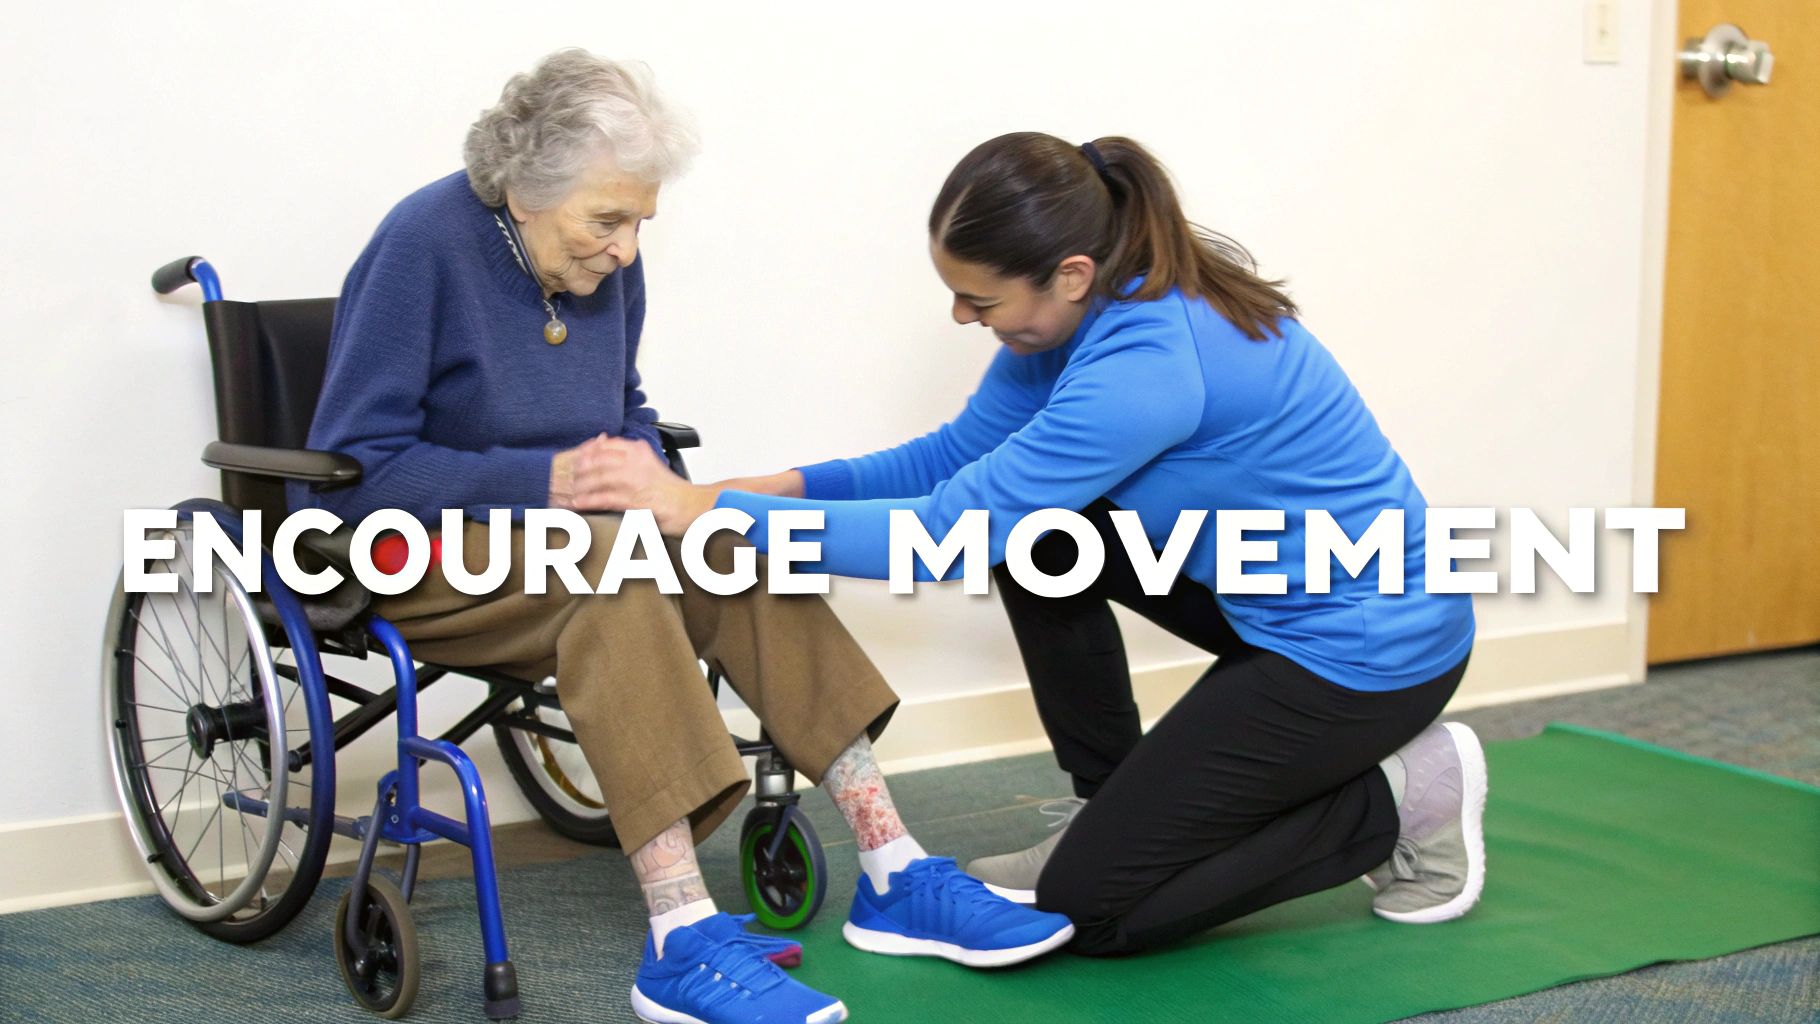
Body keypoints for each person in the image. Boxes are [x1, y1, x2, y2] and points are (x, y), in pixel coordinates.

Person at [291, 56, 1071, 1024]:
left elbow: (622, 407)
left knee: (733, 547)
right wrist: (542, 480)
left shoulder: (605, 261)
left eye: (638, 223)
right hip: (426, 550)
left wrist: (656, 480)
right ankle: (679, 937)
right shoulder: (422, 244)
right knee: (612, 576)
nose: (623, 250)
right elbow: (354, 470)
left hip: (569, 536)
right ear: (524, 190)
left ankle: (893, 868)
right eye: (604, 222)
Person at [584, 131, 1488, 957]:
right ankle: (1109, 799)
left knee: (1086, 910)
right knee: (1044, 539)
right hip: (1269, 597)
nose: (963, 320)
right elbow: (952, 458)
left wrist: (707, 515)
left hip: (1370, 648)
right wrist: (753, 490)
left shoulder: (1148, 365)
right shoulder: (1081, 313)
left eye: (979, 301)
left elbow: (947, 536)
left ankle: (1400, 797)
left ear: (1070, 271)